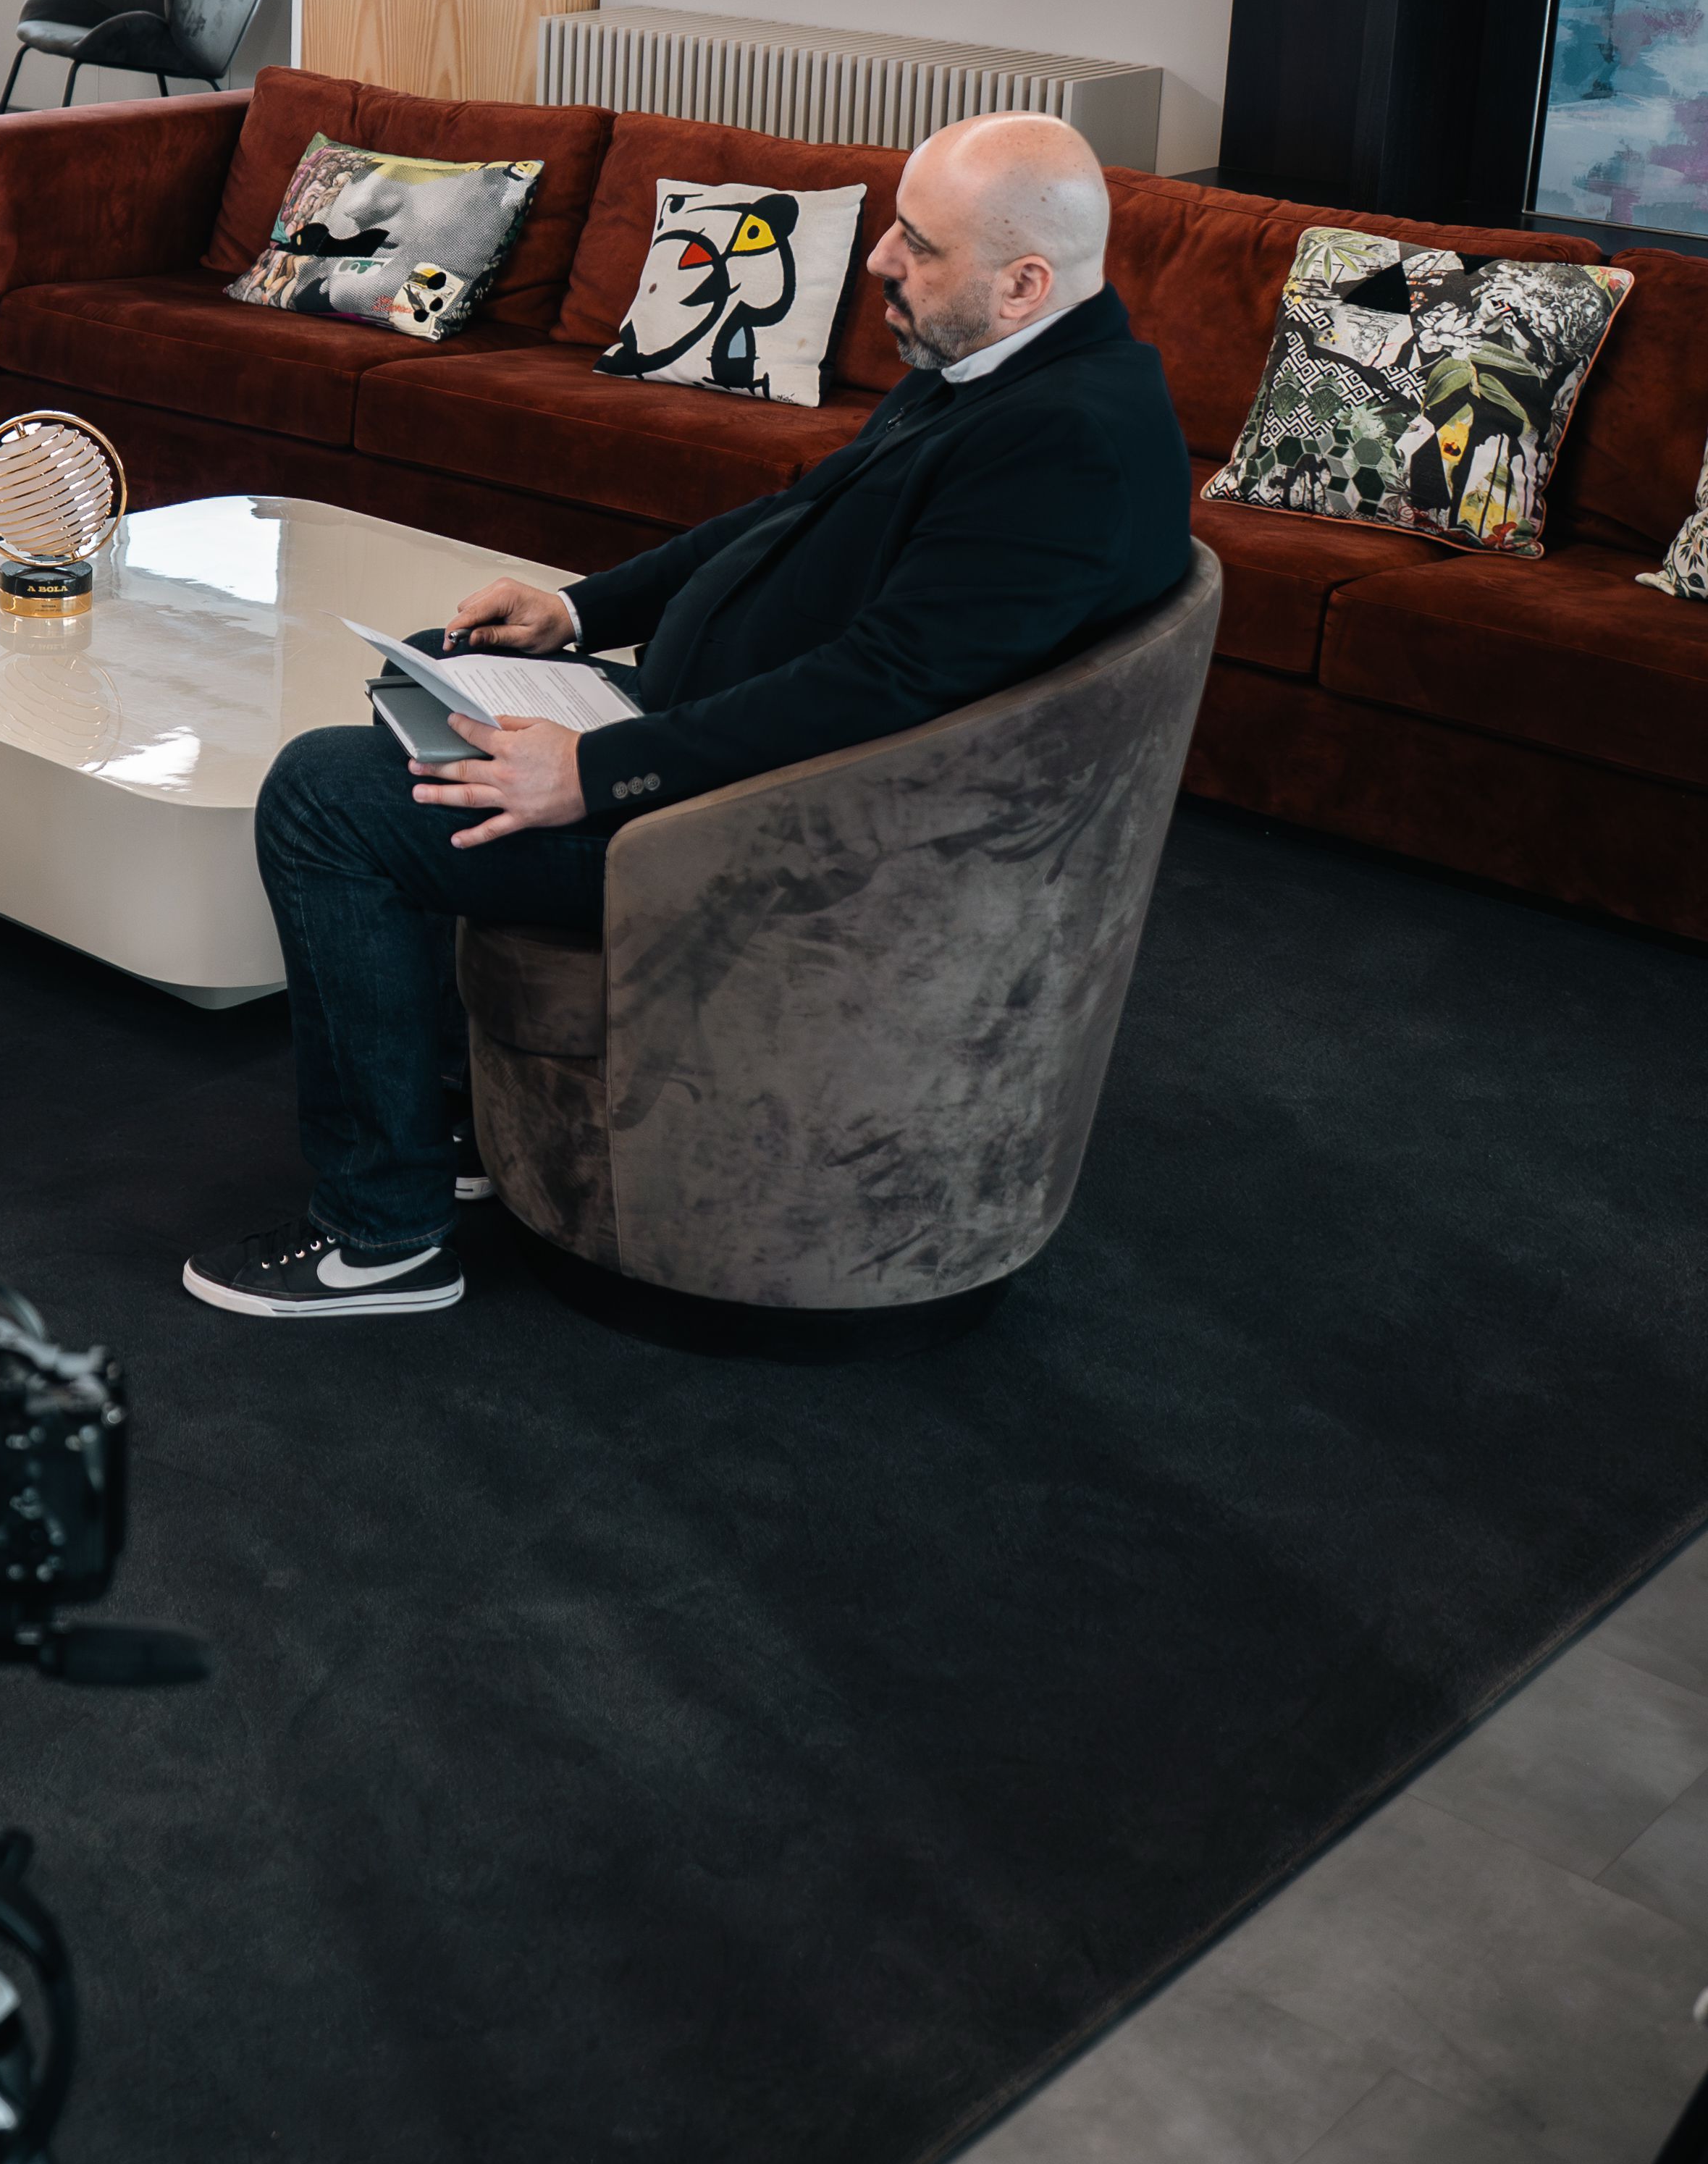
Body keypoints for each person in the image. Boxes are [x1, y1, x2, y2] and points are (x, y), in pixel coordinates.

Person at [184, 113, 1193, 1321]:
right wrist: (574, 612)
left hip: (751, 831)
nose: (878, 259)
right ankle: (443, 1128)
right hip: (709, 749)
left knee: (323, 796)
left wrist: (594, 773)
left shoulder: (1063, 445)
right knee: (435, 684)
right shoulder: (1006, 371)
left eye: (916, 246)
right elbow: (789, 519)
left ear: (1023, 281)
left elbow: (874, 689)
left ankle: (378, 1232)